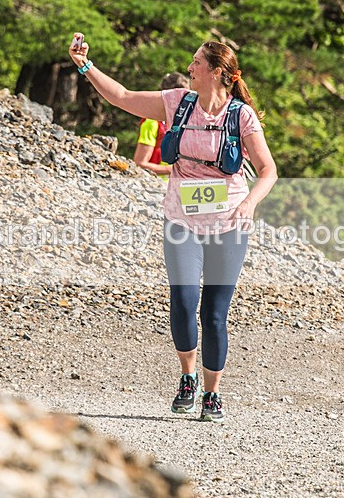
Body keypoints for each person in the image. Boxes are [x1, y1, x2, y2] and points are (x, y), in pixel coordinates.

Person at [69, 34, 277, 422]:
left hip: (228, 224)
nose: (190, 68)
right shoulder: (177, 103)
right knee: (182, 302)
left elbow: (268, 171)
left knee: (214, 314)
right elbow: (123, 97)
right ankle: (188, 377)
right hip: (181, 219)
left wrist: (249, 203)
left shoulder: (240, 116)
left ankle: (212, 394)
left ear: (217, 73)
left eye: (197, 63)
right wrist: (84, 65)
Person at [132, 72, 190, 176]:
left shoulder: (179, 121)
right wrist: (172, 169)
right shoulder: (152, 122)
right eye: (184, 97)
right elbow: (140, 163)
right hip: (155, 185)